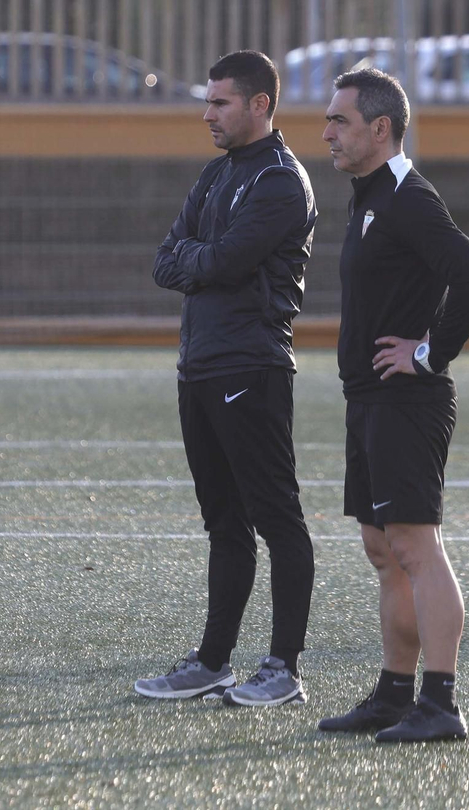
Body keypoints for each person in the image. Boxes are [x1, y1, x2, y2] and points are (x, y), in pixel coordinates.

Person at [317, 68, 469, 742]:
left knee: (417, 547)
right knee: (382, 548)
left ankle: (440, 702)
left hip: (406, 401)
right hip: (367, 400)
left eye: (340, 120)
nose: (327, 131)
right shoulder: (367, 200)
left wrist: (426, 354)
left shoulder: (407, 198)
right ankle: (394, 694)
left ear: (380, 128)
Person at [137, 50, 318, 708]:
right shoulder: (217, 176)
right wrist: (202, 261)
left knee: (277, 516)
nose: (207, 113)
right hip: (200, 367)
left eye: (220, 102)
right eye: (207, 101)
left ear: (259, 104)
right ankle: (213, 661)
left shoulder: (279, 179)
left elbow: (232, 259)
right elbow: (168, 261)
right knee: (223, 521)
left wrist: (201, 260)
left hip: (252, 366)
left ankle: (284, 667)